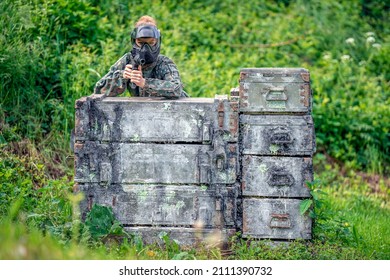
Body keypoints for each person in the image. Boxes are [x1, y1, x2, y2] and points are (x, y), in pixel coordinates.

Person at [94, 15, 188, 98]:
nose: (145, 48)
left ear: (157, 41)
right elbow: (99, 90)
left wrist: (144, 83)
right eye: (140, 43)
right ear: (134, 41)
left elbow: (177, 88)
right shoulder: (127, 60)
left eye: (151, 43)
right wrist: (121, 77)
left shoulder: (163, 63)